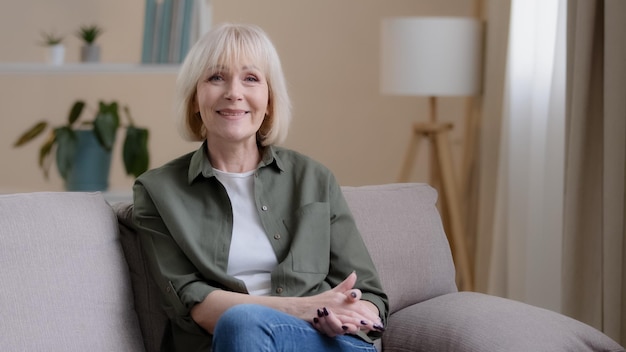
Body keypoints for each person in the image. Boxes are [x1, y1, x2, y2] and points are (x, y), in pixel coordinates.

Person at [132, 23, 388, 352]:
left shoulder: (314, 178)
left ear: (269, 101)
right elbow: (193, 303)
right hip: (228, 341)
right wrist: (303, 309)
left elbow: (369, 294)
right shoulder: (158, 191)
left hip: (323, 344)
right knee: (241, 322)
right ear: (195, 98)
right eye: (215, 77)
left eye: (251, 78)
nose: (233, 92)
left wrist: (351, 313)